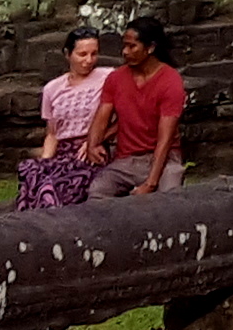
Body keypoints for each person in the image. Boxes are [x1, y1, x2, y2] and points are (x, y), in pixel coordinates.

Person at [86, 16, 188, 200]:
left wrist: (150, 183)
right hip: (127, 159)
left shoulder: (170, 81)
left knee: (169, 200)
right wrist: (93, 145)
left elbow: (164, 140)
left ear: (150, 48)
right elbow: (102, 117)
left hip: (164, 160)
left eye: (132, 46)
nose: (125, 52)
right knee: (98, 191)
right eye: (124, 45)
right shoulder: (116, 78)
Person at [17, 31, 109, 210]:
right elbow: (52, 134)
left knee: (51, 186)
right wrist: (45, 161)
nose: (89, 60)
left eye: (94, 54)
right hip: (62, 152)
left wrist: (94, 140)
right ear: (68, 54)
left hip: (89, 151)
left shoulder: (108, 77)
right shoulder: (52, 88)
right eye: (82, 54)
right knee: (30, 169)